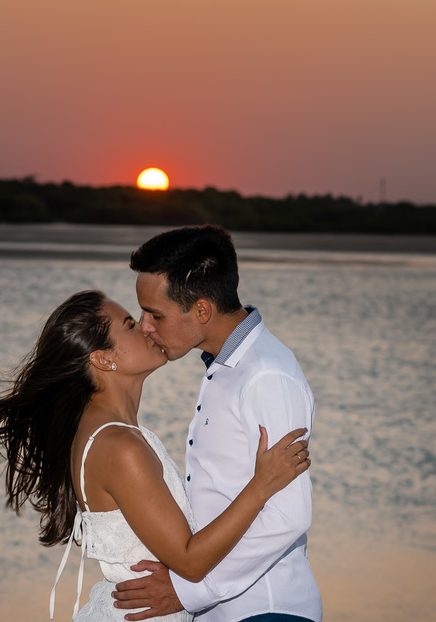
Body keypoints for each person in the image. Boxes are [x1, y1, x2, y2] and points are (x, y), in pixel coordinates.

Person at [0, 289, 311, 621]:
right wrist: (262, 485)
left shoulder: (106, 432)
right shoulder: (119, 446)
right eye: (131, 325)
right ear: (104, 359)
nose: (147, 328)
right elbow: (190, 561)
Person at [116, 225, 321, 622]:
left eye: (155, 314)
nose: (144, 326)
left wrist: (190, 589)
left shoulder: (266, 376)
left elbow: (289, 514)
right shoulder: (227, 367)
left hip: (266, 609)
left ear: (202, 310)